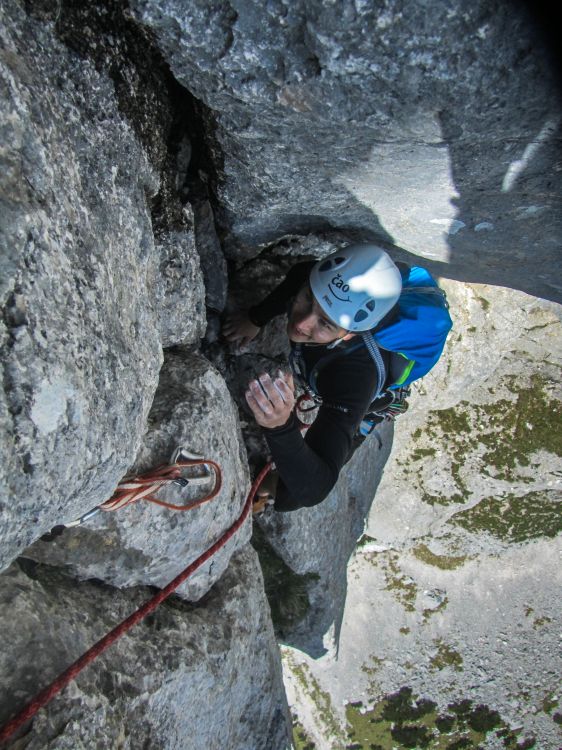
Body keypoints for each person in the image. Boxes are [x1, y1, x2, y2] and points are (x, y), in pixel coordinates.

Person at [222, 244, 412, 512]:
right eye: (307, 299)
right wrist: (255, 318)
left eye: (325, 323)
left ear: (349, 334)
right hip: (327, 365)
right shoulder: (317, 281)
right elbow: (298, 276)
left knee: (291, 495)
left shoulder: (357, 379)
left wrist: (280, 427)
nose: (302, 323)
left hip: (367, 402)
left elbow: (314, 489)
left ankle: (266, 488)